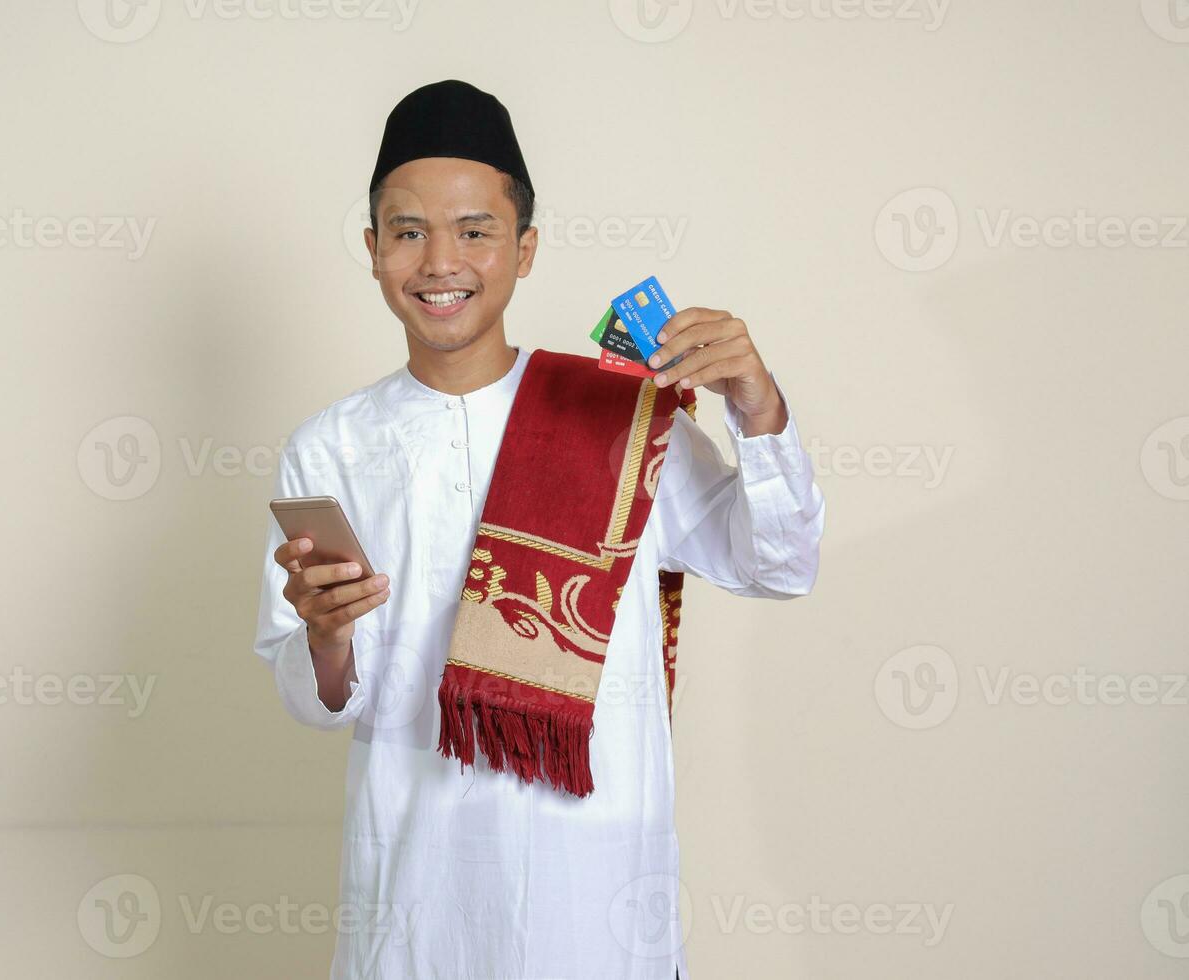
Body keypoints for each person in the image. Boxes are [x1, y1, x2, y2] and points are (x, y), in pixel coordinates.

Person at [253, 79, 825, 980]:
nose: (441, 260)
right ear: (372, 251)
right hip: (417, 907)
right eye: (408, 232)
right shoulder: (332, 448)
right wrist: (326, 640)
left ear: (524, 250)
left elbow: (780, 563)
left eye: (475, 231)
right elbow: (316, 700)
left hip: (595, 903)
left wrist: (758, 406)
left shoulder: (620, 418)